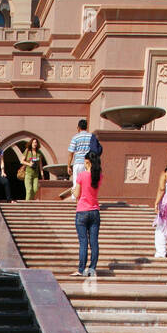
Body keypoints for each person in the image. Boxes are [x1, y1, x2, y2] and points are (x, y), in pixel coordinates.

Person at [74, 148, 102, 277]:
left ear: (87, 162)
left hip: (82, 211)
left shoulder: (82, 175)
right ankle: (92, 269)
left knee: (83, 242)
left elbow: (77, 194)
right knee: (94, 242)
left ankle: (81, 269)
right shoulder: (99, 176)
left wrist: (73, 190)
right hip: (95, 211)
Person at [67, 117, 96, 185]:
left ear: (78, 127)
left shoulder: (75, 138)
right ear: (86, 127)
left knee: (76, 184)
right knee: (87, 183)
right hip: (88, 163)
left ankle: (76, 196)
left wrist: (68, 166)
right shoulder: (91, 136)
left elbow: (71, 153)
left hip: (78, 163)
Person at [21, 137, 45, 201]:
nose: (35, 144)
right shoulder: (27, 151)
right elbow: (22, 161)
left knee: (35, 189)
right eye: (33, 142)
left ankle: (30, 201)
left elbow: (40, 165)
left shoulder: (38, 153)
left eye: (36, 142)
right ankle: (27, 204)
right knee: (29, 189)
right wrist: (29, 164)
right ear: (31, 143)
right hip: (28, 173)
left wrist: (42, 175)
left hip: (35, 175)